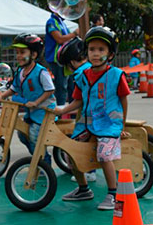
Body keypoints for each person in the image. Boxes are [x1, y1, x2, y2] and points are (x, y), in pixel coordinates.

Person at [56, 26, 130, 210]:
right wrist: (61, 110)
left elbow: (123, 100)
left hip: (109, 125)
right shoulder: (83, 76)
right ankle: (83, 189)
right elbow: (77, 101)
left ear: (110, 54)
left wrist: (122, 125)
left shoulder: (116, 75)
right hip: (87, 124)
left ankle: (113, 194)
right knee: (69, 151)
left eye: (101, 50)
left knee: (105, 155)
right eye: (91, 49)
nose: (95, 54)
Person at [0, 33, 56, 163]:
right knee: (22, 134)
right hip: (31, 111)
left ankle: (44, 162)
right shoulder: (20, 72)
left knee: (34, 135)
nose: (19, 56)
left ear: (33, 55)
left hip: (44, 111)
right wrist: (1, 96)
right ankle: (37, 156)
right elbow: (14, 88)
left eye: (22, 52)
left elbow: (50, 90)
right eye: (17, 52)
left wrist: (36, 102)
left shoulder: (41, 72)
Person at [55, 37, 96, 182]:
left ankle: (87, 176)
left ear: (72, 62)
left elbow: (79, 101)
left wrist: (62, 111)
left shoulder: (80, 75)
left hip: (90, 120)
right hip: (96, 117)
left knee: (72, 151)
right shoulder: (90, 69)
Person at [44, 11, 79, 105]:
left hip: (66, 59)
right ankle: (59, 112)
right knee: (61, 86)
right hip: (56, 59)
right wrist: (75, 33)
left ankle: (72, 114)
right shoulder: (51, 22)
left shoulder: (62, 23)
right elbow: (59, 39)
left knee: (71, 85)